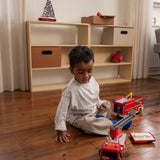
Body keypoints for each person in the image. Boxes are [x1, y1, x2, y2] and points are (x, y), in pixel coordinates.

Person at [54, 46, 112, 143]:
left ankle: (101, 120)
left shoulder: (91, 80)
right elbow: (61, 110)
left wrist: (99, 103)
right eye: (81, 72)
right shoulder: (69, 90)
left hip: (93, 109)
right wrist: (60, 130)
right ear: (72, 70)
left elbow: (94, 95)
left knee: (107, 104)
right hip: (79, 116)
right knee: (88, 123)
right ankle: (109, 125)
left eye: (89, 71)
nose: (86, 76)